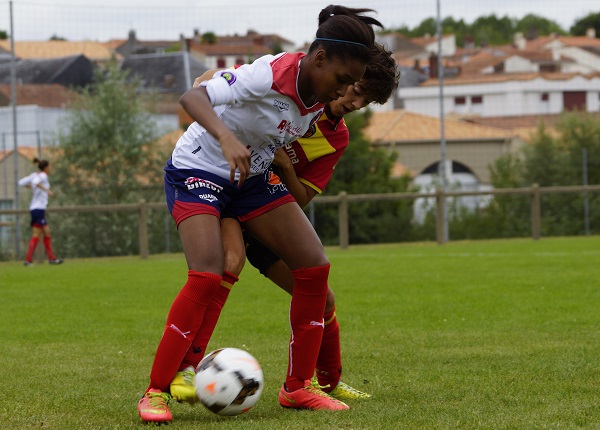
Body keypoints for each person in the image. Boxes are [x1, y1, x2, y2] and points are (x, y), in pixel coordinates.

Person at [137, 4, 382, 424]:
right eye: (342, 82)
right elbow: (192, 96)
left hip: (250, 177)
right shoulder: (270, 74)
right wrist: (227, 137)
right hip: (199, 168)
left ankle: (299, 388)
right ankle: (155, 391)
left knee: (315, 266)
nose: (342, 94)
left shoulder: (319, 102)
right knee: (209, 273)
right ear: (318, 58)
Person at [18, 158, 63, 266]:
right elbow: (35, 183)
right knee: (40, 234)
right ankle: (32, 260)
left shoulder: (34, 174)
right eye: (50, 166)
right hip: (38, 209)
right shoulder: (43, 175)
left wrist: (33, 188)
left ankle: (48, 259)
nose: (50, 168)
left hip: (36, 209)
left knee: (43, 233)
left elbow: (21, 182)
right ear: (46, 167)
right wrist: (47, 191)